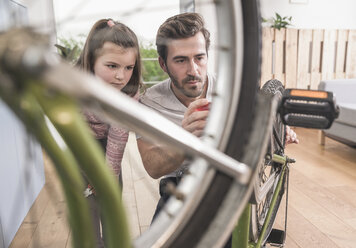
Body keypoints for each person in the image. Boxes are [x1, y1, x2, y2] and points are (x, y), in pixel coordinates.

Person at [76, 18, 142, 247]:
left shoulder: (128, 94)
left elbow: (118, 138)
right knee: (87, 207)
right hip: (82, 145)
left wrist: (108, 178)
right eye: (112, 66)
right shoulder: (75, 84)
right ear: (91, 61)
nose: (121, 77)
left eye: (128, 68)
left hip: (109, 144)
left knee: (111, 200)